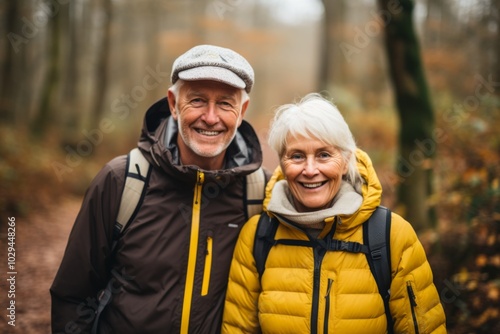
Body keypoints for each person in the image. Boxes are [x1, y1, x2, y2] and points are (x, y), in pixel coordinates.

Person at [50, 44, 269, 333]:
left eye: (225, 103)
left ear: (242, 111)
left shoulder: (259, 191)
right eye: (198, 100)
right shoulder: (122, 180)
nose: (211, 117)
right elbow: (73, 295)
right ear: (173, 104)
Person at [222, 93, 447, 333]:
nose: (310, 170)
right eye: (297, 156)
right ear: (282, 163)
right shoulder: (257, 236)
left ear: (346, 159)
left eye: (324, 155)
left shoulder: (391, 235)